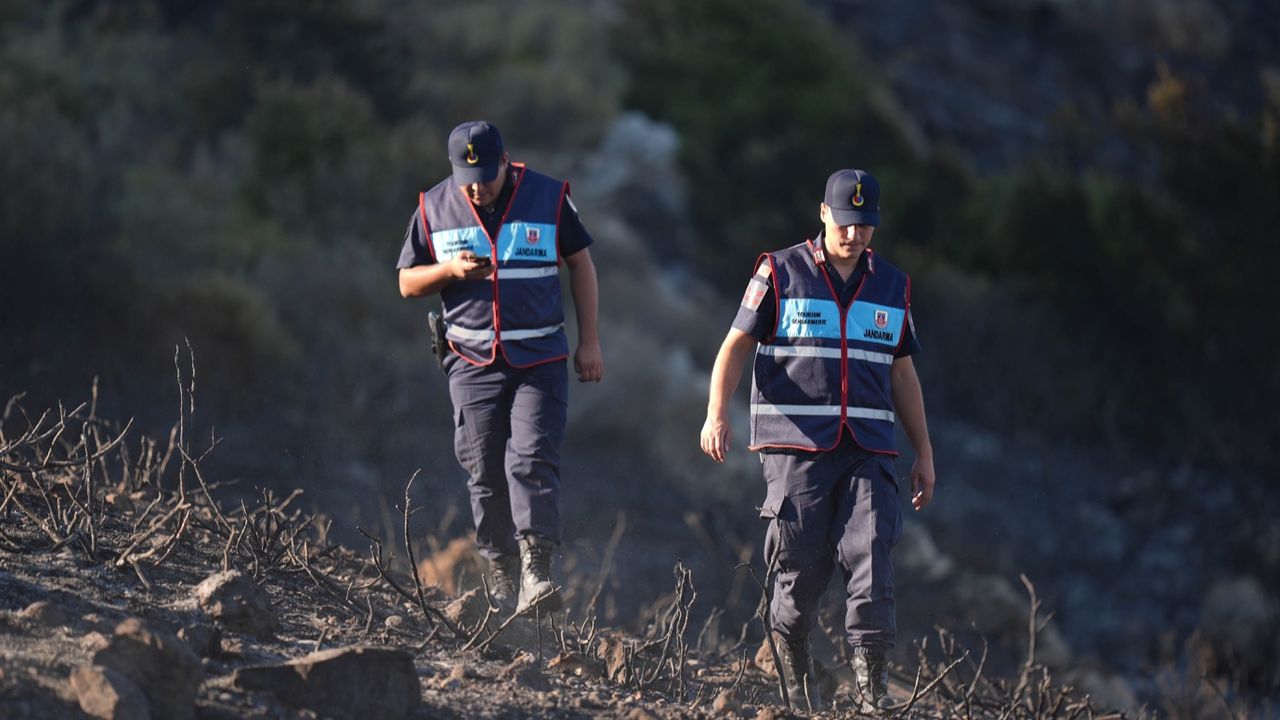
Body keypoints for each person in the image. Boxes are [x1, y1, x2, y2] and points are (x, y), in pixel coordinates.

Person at [699, 169, 935, 712]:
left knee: (872, 546)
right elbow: (735, 345)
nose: (854, 235)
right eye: (845, 223)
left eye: (865, 225)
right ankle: (787, 641)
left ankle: (871, 689)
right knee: (802, 569)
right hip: (796, 445)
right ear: (824, 214)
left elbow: (902, 374)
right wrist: (716, 414)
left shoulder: (893, 286)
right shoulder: (778, 272)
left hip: (869, 445)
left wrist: (924, 450)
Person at [397, 120, 604, 614]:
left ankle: (537, 571)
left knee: (531, 457)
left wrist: (589, 342)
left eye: (487, 174)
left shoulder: (549, 197)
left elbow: (581, 264)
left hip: (541, 359)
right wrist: (450, 271)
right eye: (467, 175)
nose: (477, 185)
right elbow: (406, 282)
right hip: (470, 363)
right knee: (484, 469)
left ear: (506, 161)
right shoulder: (433, 207)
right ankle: (503, 572)